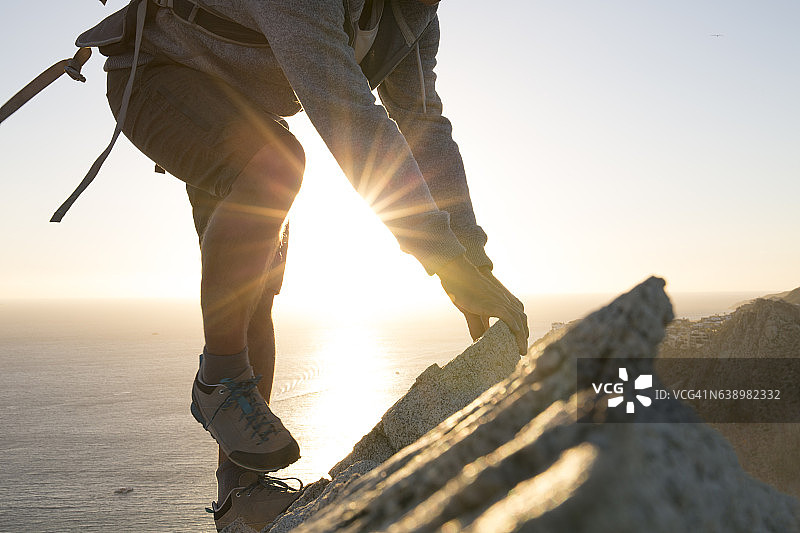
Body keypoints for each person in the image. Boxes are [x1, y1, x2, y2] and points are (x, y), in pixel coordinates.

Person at [98, 0, 528, 529]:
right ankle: (219, 379)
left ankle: (242, 501)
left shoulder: (415, 14)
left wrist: (473, 262)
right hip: (157, 79)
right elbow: (351, 121)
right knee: (276, 165)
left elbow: (423, 125)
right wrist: (446, 262)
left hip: (242, 104)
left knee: (255, 293)